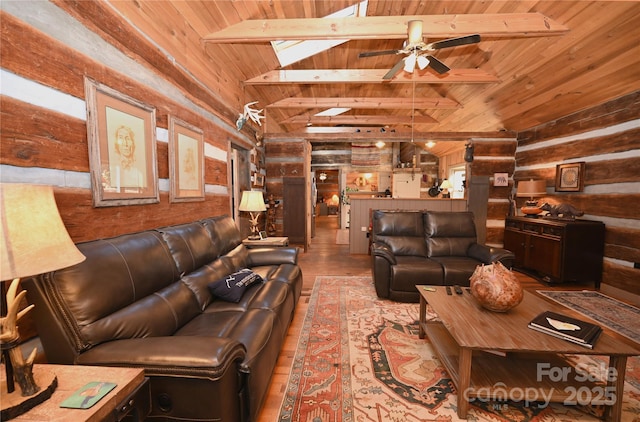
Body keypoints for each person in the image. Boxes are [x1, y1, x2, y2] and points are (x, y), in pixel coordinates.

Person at [111, 125, 144, 191]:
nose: (125, 143)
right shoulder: (111, 170)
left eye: (128, 138)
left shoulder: (138, 174)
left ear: (132, 143)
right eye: (120, 138)